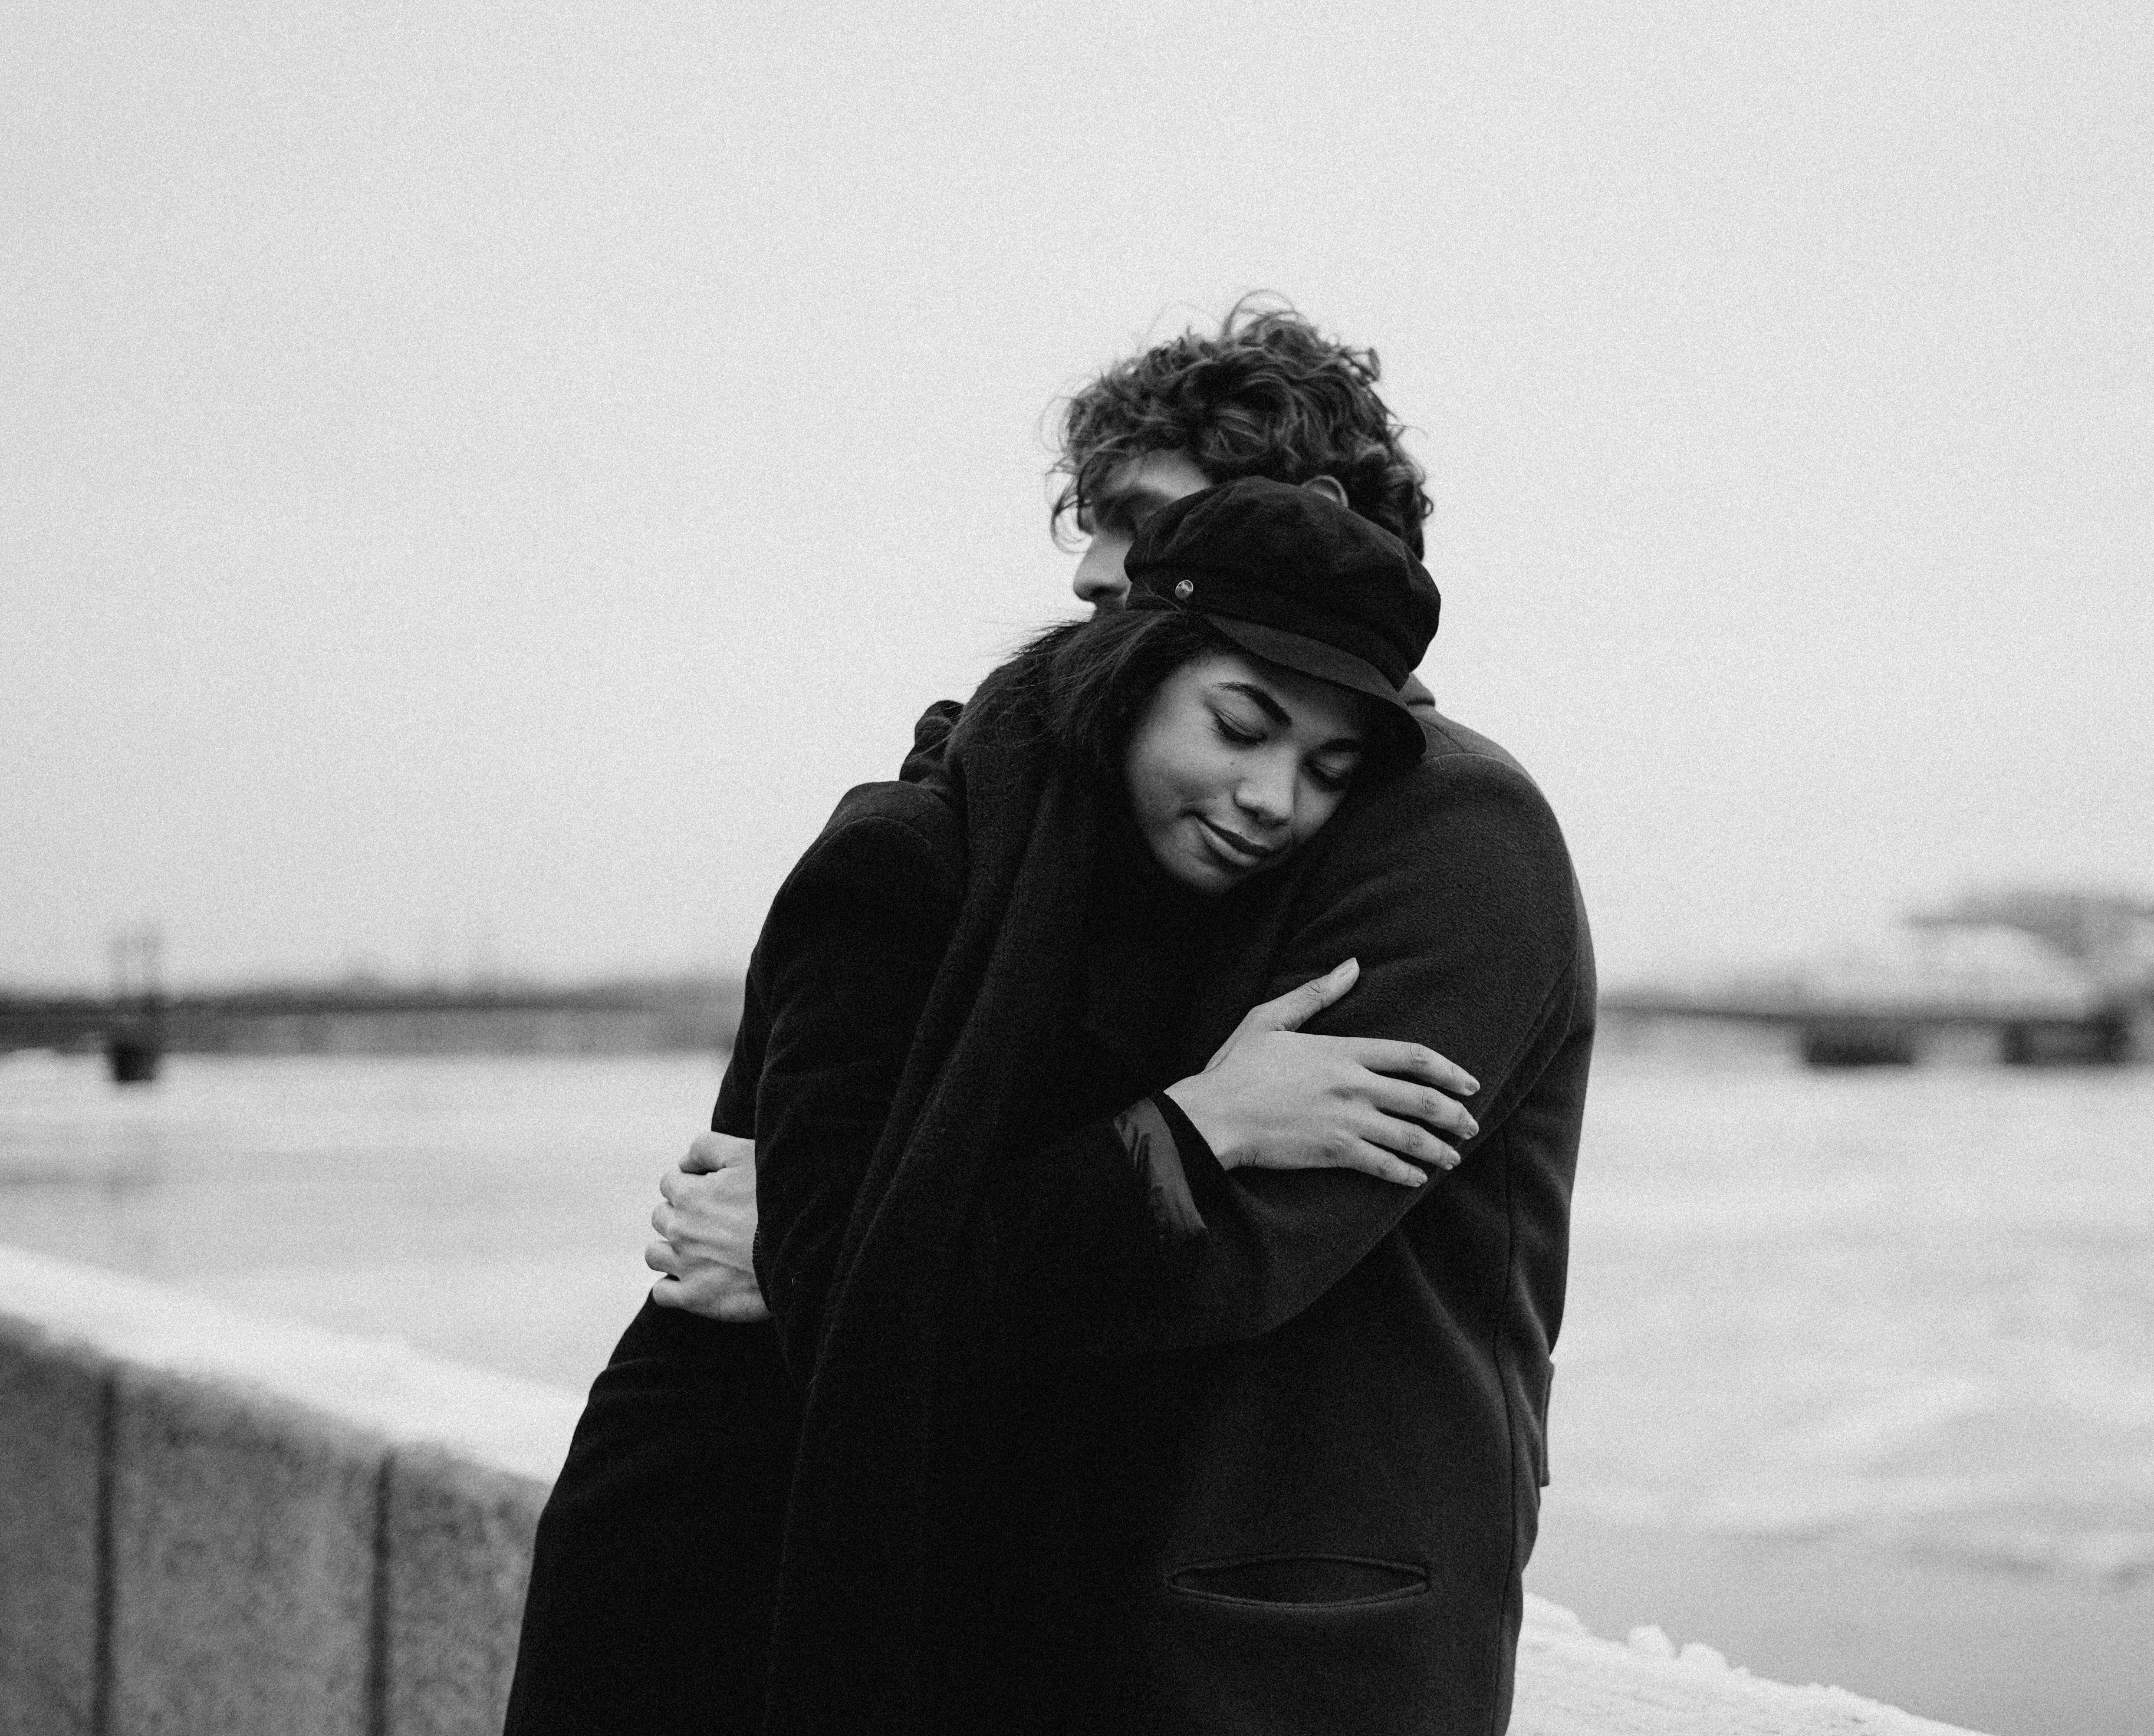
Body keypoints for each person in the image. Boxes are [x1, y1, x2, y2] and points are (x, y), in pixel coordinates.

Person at [531, 300, 1593, 1735]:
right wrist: (855, 1217)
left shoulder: (1448, 828)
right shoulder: (1011, 818)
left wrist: (824, 1251)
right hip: (939, 1582)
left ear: (1307, 517)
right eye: (1089, 521)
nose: (1095, 564)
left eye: (1138, 515)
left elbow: (1233, 1237)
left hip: (1282, 1626)